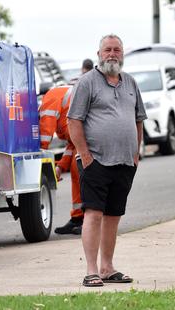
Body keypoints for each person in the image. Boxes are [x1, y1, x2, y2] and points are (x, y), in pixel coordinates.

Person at [67, 34, 145, 287]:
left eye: (117, 50)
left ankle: (107, 268)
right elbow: (74, 120)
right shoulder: (87, 83)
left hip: (124, 162)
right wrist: (85, 156)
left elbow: (138, 120)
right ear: (99, 54)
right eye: (107, 50)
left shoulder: (131, 83)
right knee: (94, 214)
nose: (112, 54)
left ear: (123, 54)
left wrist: (135, 153)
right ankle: (91, 270)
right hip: (95, 161)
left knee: (113, 216)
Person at [39, 59, 92, 235]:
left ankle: (88, 220)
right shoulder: (60, 96)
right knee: (75, 170)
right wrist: (60, 167)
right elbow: (72, 143)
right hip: (83, 137)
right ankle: (78, 217)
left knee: (82, 174)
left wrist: (40, 155)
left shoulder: (49, 98)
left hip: (90, 136)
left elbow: (45, 133)